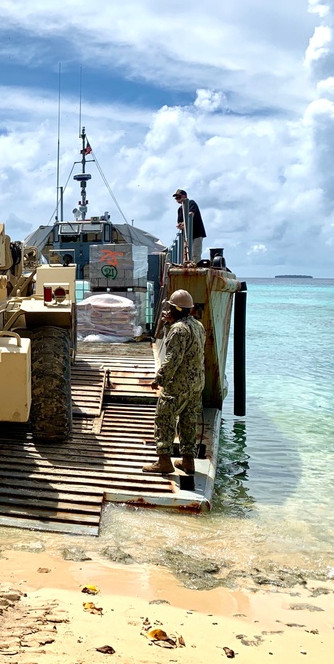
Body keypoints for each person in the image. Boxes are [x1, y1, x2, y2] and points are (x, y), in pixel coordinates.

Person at [144, 289, 206, 475]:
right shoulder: (198, 326)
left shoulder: (178, 330)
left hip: (178, 385)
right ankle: (188, 461)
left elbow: (173, 359)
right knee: (188, 420)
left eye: (170, 307)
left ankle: (164, 461)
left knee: (164, 419)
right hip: (196, 384)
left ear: (175, 309)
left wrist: (159, 378)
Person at [173, 189, 206, 263]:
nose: (177, 199)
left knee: (195, 254)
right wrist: (181, 225)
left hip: (196, 234)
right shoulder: (180, 209)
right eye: (176, 198)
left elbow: (191, 214)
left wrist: (185, 223)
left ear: (184, 196)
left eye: (179, 197)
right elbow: (180, 221)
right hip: (186, 235)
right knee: (185, 255)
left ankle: (195, 267)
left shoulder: (191, 203)